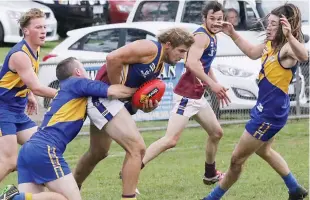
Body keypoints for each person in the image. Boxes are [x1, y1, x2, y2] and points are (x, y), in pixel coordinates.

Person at [73, 27, 195, 200]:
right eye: (181, 51)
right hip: (103, 97)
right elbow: (112, 57)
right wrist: (117, 88)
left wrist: (144, 106)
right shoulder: (151, 48)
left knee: (98, 152)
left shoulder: (159, 65)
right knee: (137, 149)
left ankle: (69, 189)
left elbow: (133, 100)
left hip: (109, 101)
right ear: (168, 45)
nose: (182, 56)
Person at [203, 3, 308, 200]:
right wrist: (233, 33)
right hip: (267, 110)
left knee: (236, 160)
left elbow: (303, 55)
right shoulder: (270, 44)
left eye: (273, 24)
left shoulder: (287, 48)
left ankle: (211, 198)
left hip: (269, 114)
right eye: (268, 23)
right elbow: (252, 52)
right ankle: (295, 189)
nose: (268, 27)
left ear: (285, 26)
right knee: (265, 151)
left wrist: (290, 35)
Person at [0, 57, 135, 200]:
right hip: (45, 149)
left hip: (28, 151)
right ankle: (15, 198)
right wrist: (139, 90)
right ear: (77, 71)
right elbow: (113, 91)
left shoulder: (65, 91)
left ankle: (16, 197)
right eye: (83, 67)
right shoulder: (78, 83)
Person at [140, 1, 230, 186]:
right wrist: (213, 85)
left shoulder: (213, 37)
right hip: (186, 96)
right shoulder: (201, 36)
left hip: (197, 96)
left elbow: (204, 65)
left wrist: (214, 82)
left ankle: (210, 174)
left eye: (219, 19)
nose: (215, 22)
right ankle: (132, 168)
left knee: (216, 133)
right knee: (170, 140)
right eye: (212, 18)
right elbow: (191, 64)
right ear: (204, 18)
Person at [0, 8, 57, 183]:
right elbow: (39, 87)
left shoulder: (35, 49)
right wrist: (66, 94)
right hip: (3, 111)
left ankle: (30, 191)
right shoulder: (20, 55)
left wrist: (29, 94)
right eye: (38, 27)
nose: (43, 31)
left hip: (17, 112)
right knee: (9, 161)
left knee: (42, 149)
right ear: (26, 31)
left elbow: (25, 80)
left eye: (44, 27)